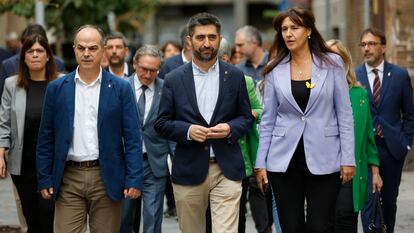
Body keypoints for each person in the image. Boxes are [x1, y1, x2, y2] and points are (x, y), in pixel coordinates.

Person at [255, 8, 355, 233]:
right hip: (284, 160)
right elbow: (268, 120)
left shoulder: (332, 64)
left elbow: (345, 115)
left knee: (320, 226)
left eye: (294, 28)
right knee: (291, 227)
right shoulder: (274, 70)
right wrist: (260, 163)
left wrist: (348, 158)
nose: (288, 34)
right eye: (284, 29)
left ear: (308, 30)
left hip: (325, 156)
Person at [36, 25, 143, 232]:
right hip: (68, 177)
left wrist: (134, 178)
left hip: (107, 177)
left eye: (92, 48)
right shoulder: (56, 89)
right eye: (81, 48)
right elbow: (46, 137)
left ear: (102, 50)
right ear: (74, 49)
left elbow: (132, 137)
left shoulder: (121, 88)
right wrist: (44, 177)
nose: (86, 53)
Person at [154, 12, 253, 233]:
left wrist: (230, 128)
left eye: (211, 37)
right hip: (189, 169)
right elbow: (161, 123)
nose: (206, 43)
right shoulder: (174, 79)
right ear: (189, 40)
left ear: (219, 38)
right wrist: (188, 131)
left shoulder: (235, 76)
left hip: (226, 169)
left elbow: (246, 118)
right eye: (200, 37)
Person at [356, 28, 414, 233]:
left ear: (383, 47)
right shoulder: (355, 76)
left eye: (371, 44)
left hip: (391, 148)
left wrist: (405, 142)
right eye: (363, 44)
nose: (366, 48)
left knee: (388, 201)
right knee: (368, 201)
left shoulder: (399, 75)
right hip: (364, 149)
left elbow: (409, 114)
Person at [0, 34, 57, 233]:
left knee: (47, 214)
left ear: (48, 56)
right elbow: (4, 122)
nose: (35, 55)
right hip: (22, 164)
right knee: (31, 218)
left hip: (51, 164)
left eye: (40, 51)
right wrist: (1, 152)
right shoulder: (11, 85)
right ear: (23, 57)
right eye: (30, 51)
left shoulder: (61, 84)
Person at [326, 39, 383, 233]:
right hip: (321, 173)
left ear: (345, 62)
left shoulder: (359, 95)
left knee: (345, 221)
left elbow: (368, 137)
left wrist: (375, 173)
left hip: (350, 172)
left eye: (336, 58)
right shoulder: (314, 92)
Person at [121, 45, 173, 233]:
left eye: (153, 70)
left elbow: (171, 126)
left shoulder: (166, 89)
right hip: (125, 163)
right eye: (144, 68)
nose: (148, 74)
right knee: (124, 218)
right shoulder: (121, 87)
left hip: (154, 162)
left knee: (152, 218)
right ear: (134, 64)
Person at [0, 24, 65, 98]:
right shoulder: (8, 65)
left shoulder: (58, 64)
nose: (35, 55)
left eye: (39, 50)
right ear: (22, 44)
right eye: (29, 45)